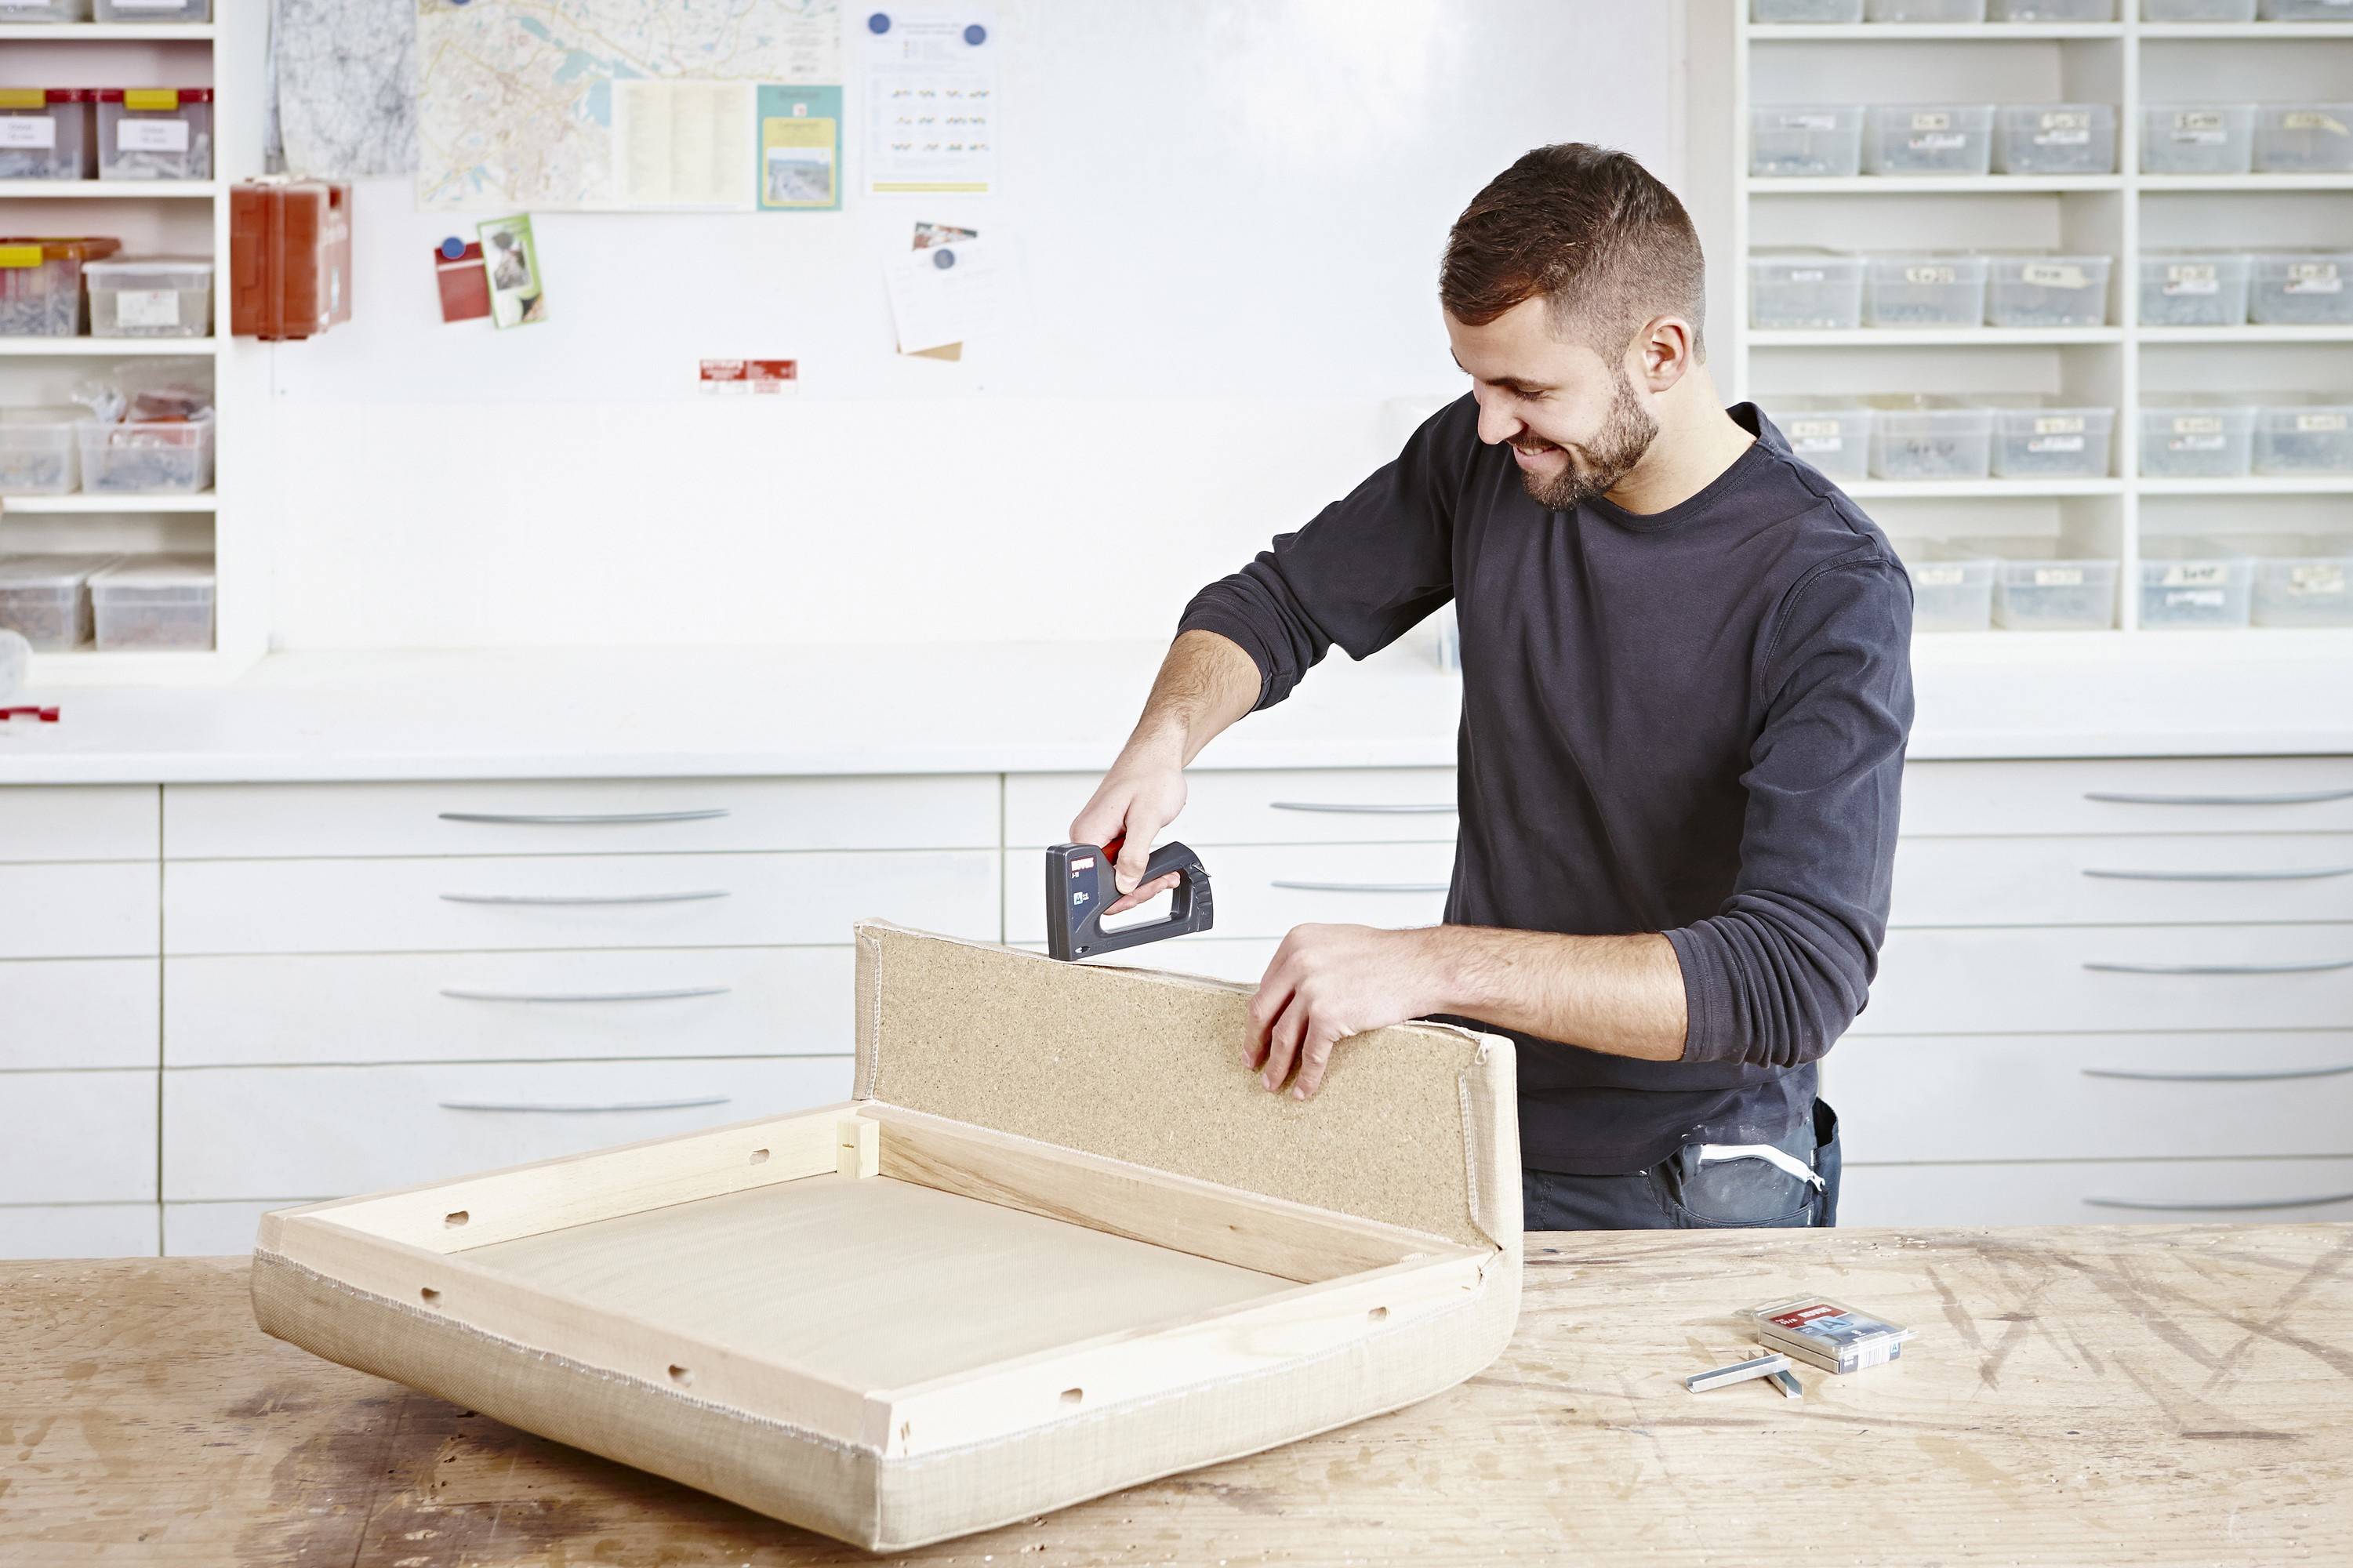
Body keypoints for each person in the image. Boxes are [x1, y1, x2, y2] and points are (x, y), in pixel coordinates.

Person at [1068, 143, 1914, 1232]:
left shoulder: (1827, 584)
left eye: (1525, 387)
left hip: (1692, 1175)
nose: (1488, 423)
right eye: (1474, 382)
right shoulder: (1492, 462)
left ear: (1660, 352)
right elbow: (1276, 603)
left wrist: (1428, 967)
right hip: (1482, 1117)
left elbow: (1794, 978)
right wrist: (1162, 744)